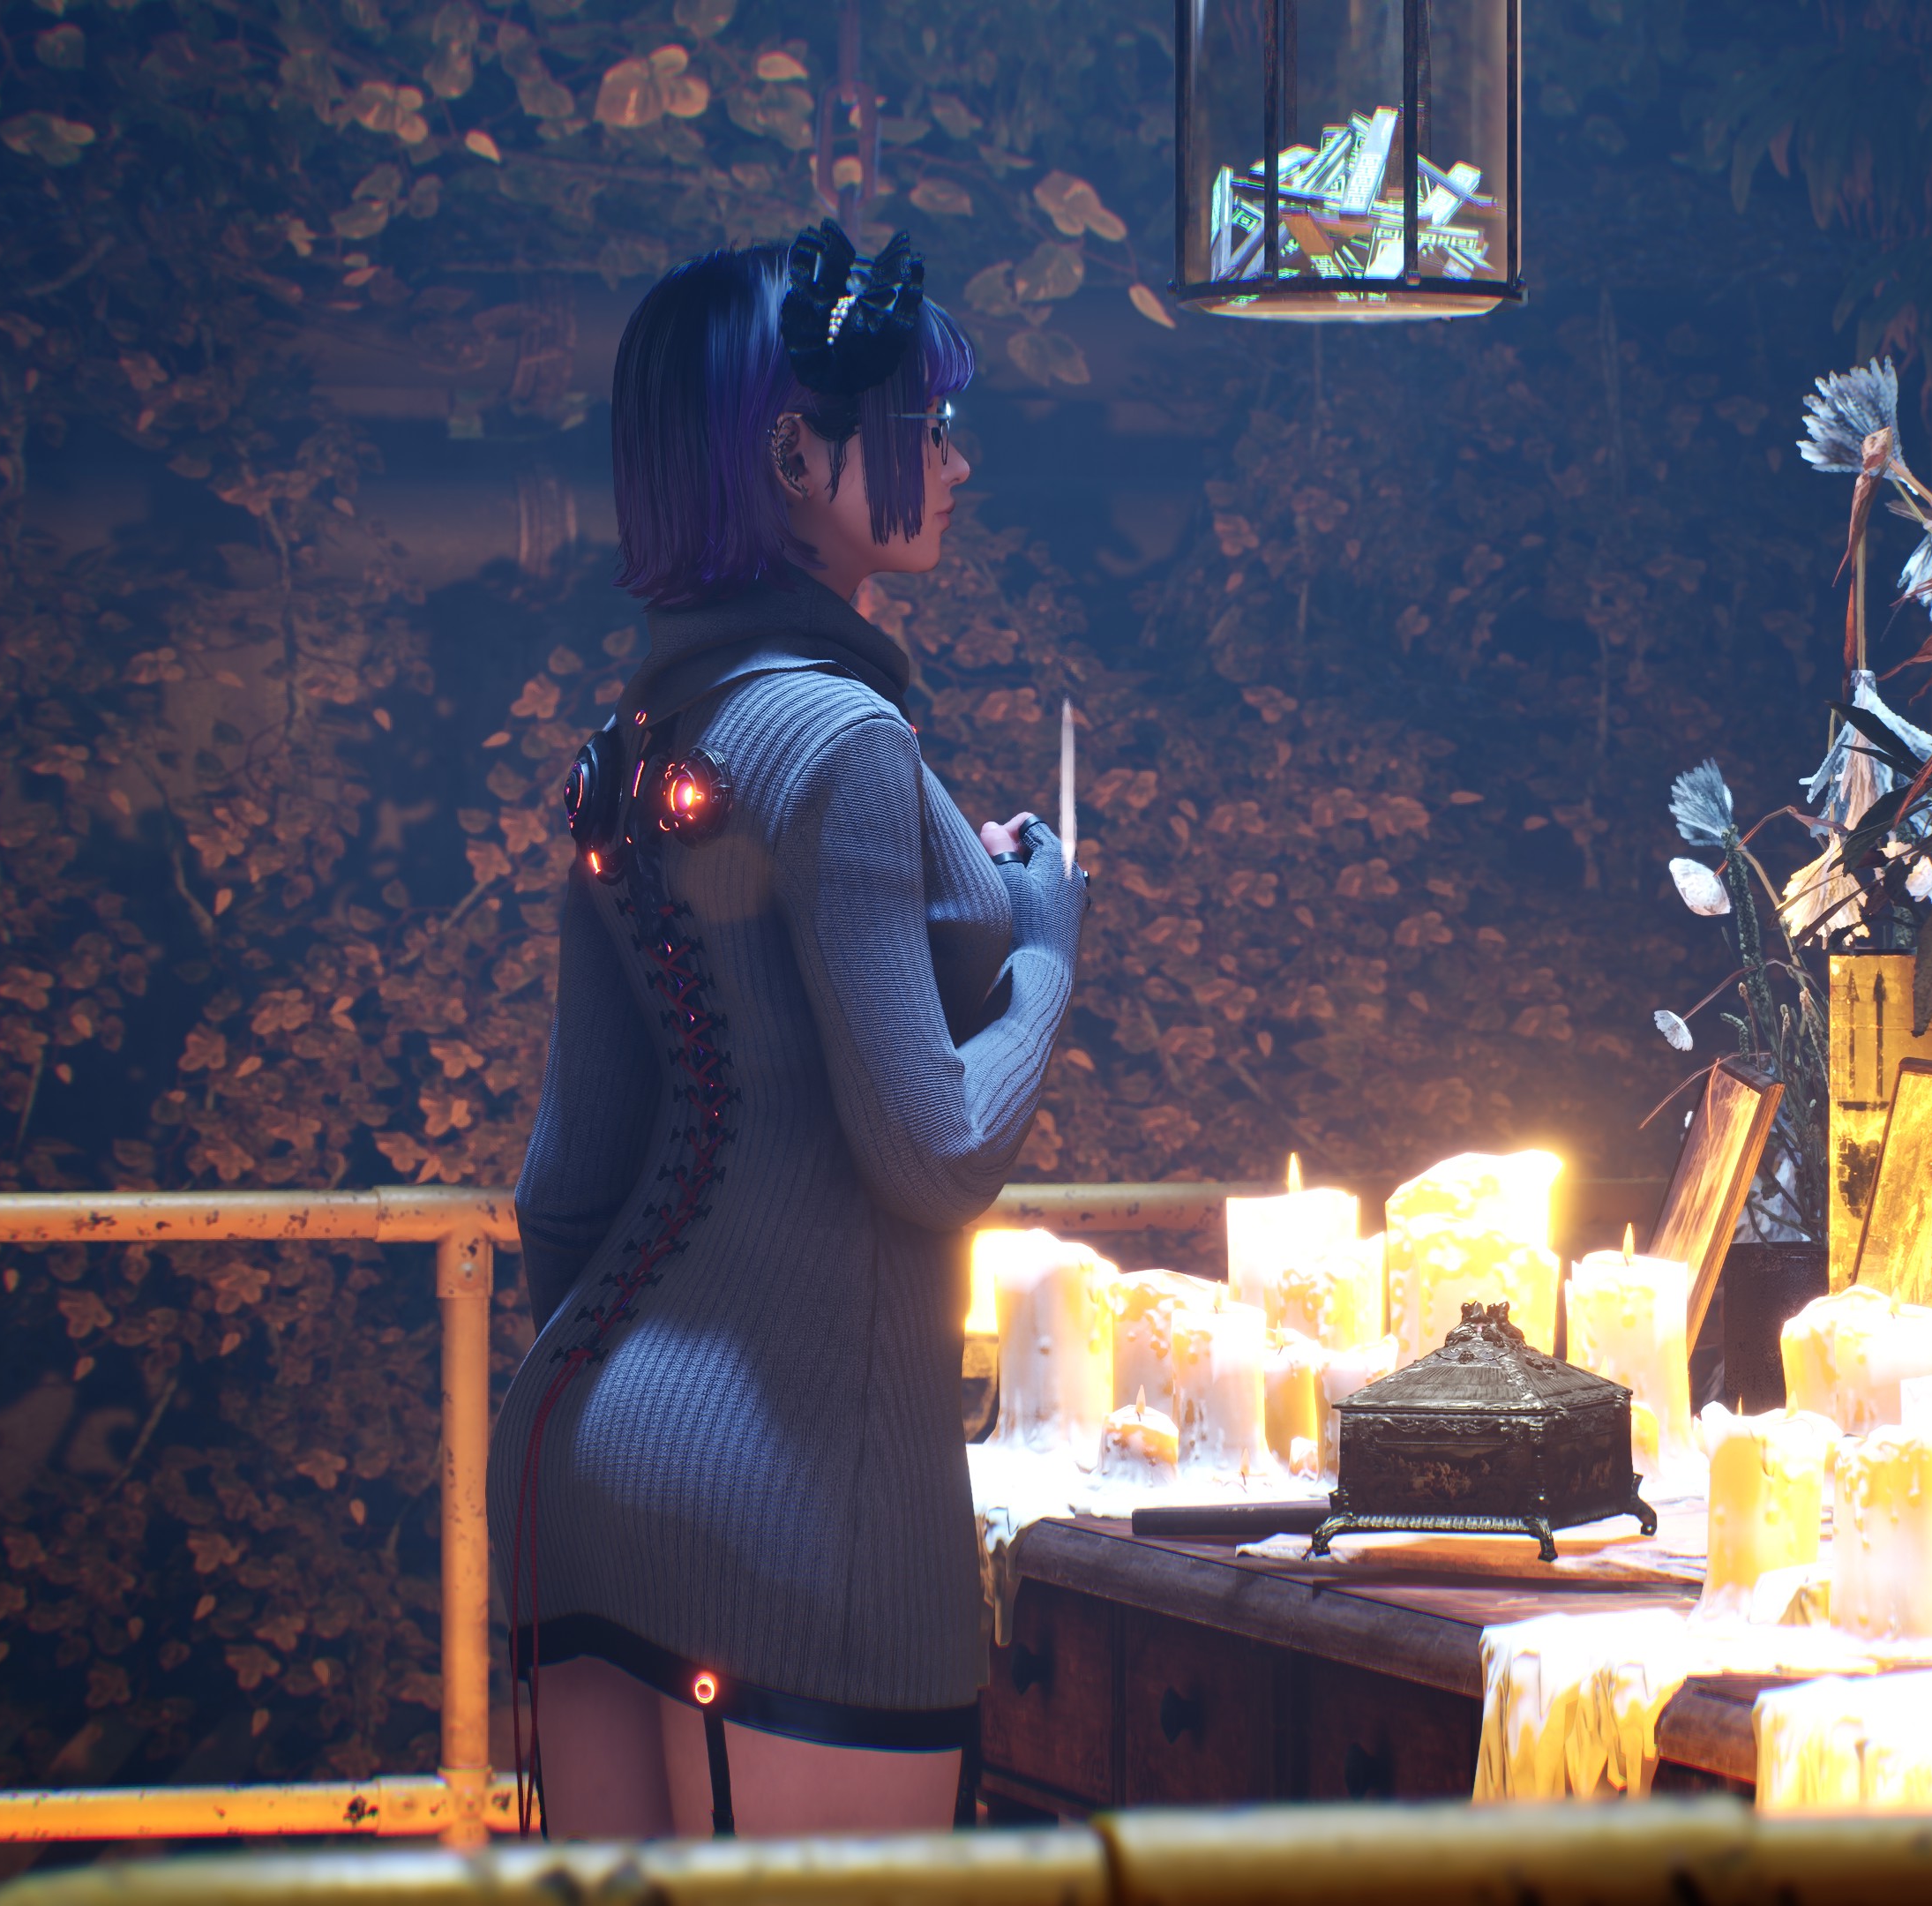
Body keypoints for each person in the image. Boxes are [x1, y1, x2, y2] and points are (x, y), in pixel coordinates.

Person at [492, 223, 1085, 1841]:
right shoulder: (839, 740)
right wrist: (1045, 952)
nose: (954, 462)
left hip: (580, 1465)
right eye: (920, 427)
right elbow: (934, 1149)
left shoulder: (636, 747)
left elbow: (563, 1184)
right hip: (797, 1503)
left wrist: (641, 1430)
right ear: (795, 456)